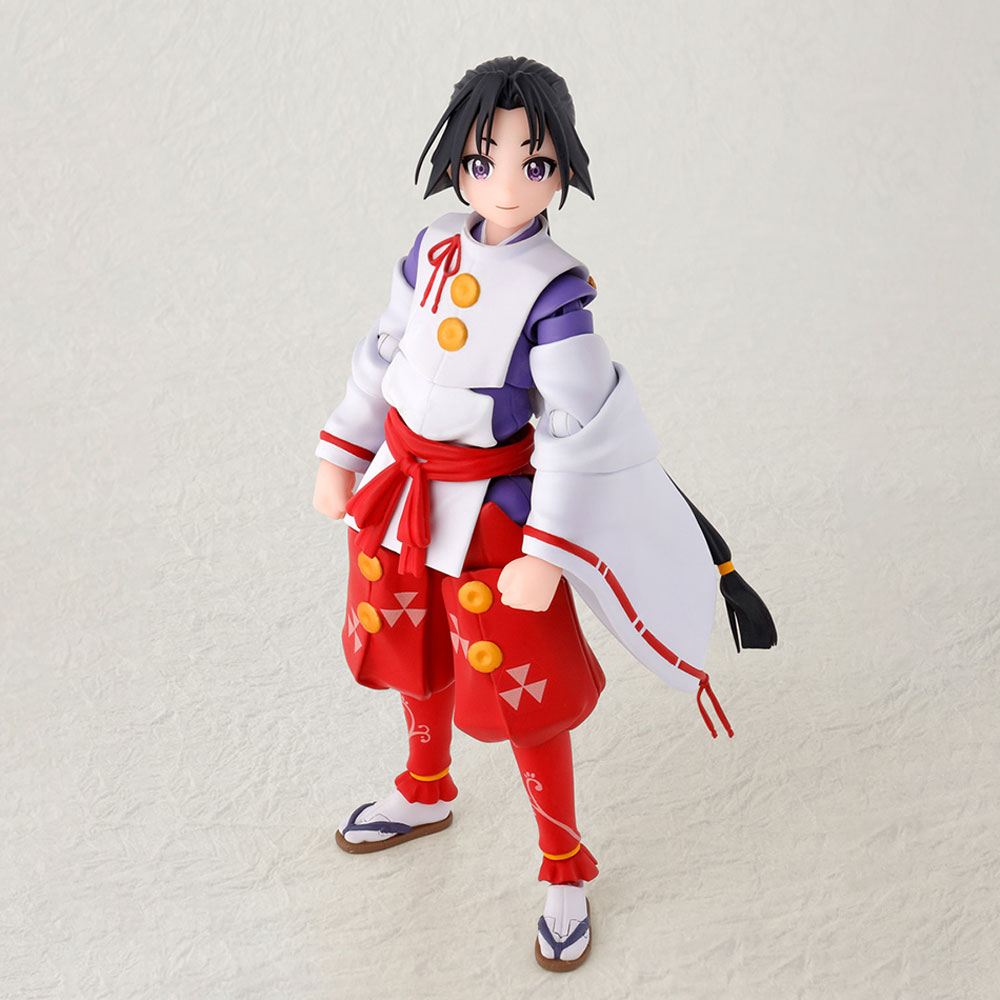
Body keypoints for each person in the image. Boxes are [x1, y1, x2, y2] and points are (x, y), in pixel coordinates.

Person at [312, 56, 775, 972]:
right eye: (483, 160)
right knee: (413, 645)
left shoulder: (558, 291)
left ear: (561, 169)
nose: (507, 183)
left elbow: (575, 428)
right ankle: (426, 784)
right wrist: (341, 448)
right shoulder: (430, 248)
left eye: (535, 163)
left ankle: (563, 864)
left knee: (525, 695)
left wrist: (548, 549)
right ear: (456, 162)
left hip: (494, 513)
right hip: (401, 493)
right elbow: (384, 352)